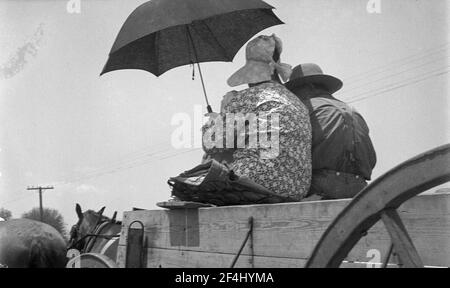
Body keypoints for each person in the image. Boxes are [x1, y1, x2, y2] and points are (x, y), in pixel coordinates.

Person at [202, 35, 312, 201]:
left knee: (197, 178)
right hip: (296, 189)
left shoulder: (246, 98)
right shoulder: (296, 101)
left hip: (256, 181)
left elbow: (211, 144)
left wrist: (219, 114)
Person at [285, 63, 377, 199]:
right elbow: (371, 160)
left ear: (309, 86)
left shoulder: (301, 110)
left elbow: (288, 156)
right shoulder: (352, 111)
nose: (294, 96)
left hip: (319, 188)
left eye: (295, 91)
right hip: (360, 191)